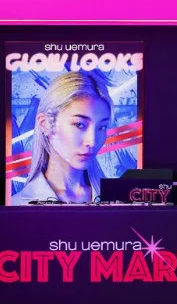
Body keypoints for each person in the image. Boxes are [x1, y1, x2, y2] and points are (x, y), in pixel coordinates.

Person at [14, 71, 113, 204]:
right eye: (79, 124)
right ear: (45, 124)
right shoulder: (18, 205)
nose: (92, 141)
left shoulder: (118, 201)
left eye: (101, 127)